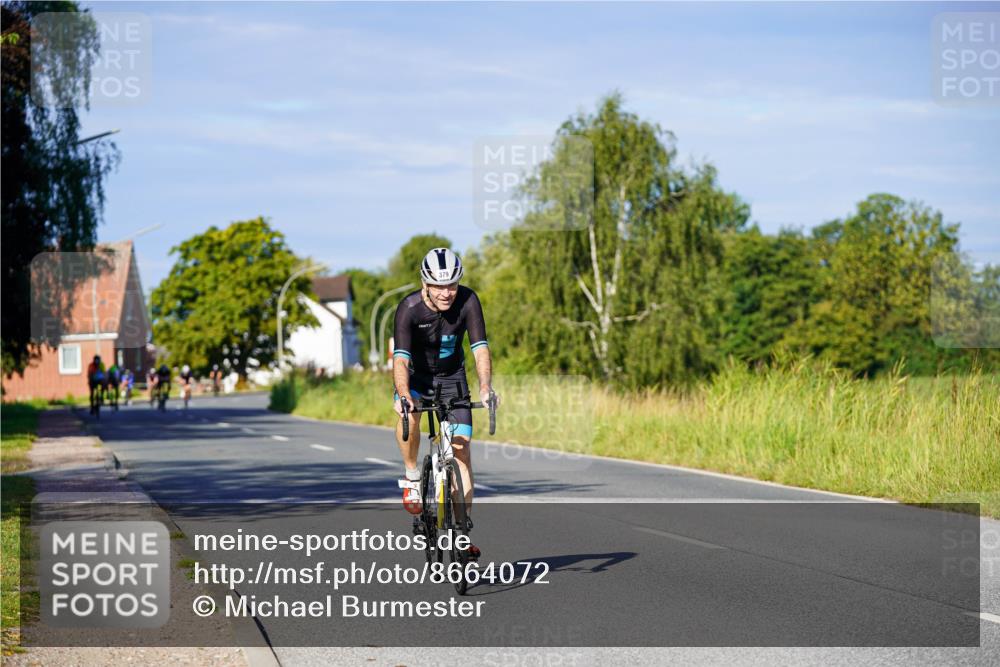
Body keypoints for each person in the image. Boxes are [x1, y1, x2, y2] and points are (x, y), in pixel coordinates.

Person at [391, 248, 500, 560]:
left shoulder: (468, 301)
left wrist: (485, 387)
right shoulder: (409, 308)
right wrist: (403, 395)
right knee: (407, 416)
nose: (446, 293)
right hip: (417, 378)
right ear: (425, 284)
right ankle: (412, 475)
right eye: (438, 286)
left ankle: (462, 534)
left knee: (462, 451)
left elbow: (480, 348)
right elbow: (400, 359)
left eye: (451, 285)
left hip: (453, 378)